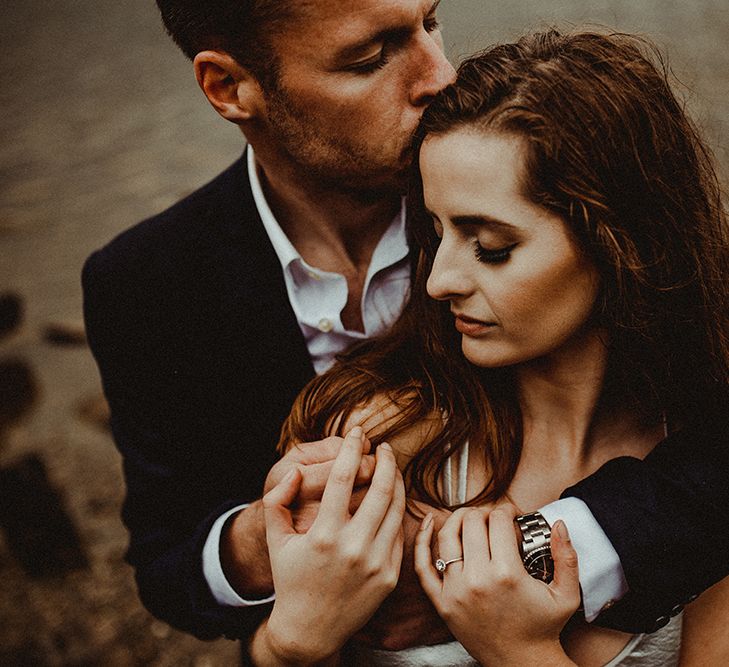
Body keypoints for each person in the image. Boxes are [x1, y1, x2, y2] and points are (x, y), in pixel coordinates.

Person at [82, 0, 726, 655]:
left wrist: (523, 556)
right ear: (229, 87)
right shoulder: (146, 281)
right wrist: (266, 542)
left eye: (430, 21)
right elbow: (168, 556)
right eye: (369, 58)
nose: (441, 76)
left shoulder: (503, 151)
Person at [256, 29, 729, 665]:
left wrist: (518, 650)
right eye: (434, 231)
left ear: (619, 242)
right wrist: (290, 643)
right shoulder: (378, 440)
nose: (437, 280)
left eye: (492, 246)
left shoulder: (707, 478)